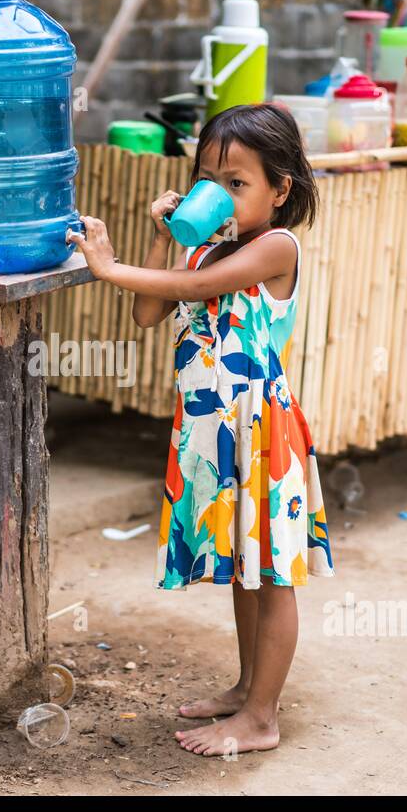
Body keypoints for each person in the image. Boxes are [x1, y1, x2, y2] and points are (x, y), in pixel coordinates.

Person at [66, 102, 335, 756]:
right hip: (216, 435)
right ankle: (248, 688)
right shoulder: (204, 243)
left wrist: (106, 265)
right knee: (246, 570)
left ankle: (263, 718)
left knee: (272, 577)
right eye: (206, 177)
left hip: (262, 438)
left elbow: (198, 287)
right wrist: (163, 233)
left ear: (280, 190)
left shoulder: (276, 247)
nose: (218, 192)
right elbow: (149, 310)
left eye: (236, 182)